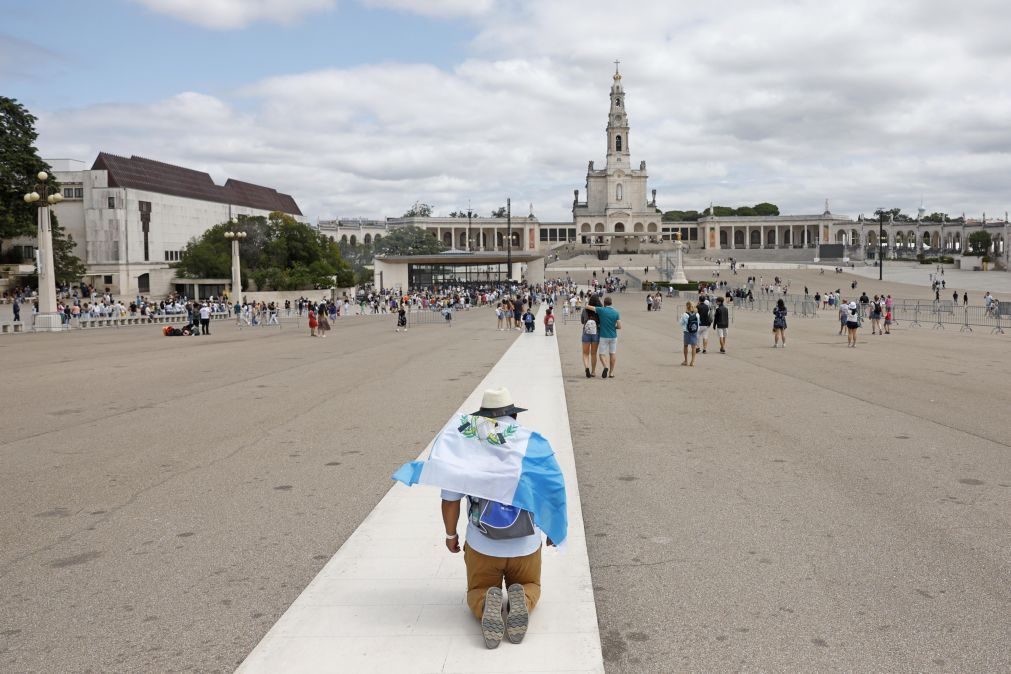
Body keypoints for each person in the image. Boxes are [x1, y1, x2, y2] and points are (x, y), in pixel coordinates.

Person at [393, 388, 566, 649]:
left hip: (483, 544)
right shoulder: (531, 445)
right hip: (526, 544)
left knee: (477, 590)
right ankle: (523, 595)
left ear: (482, 418)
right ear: (513, 417)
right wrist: (554, 530)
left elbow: (450, 499)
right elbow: (552, 488)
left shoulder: (465, 444)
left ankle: (486, 602)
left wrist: (451, 535)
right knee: (532, 584)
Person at [595, 295, 621, 379]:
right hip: (613, 336)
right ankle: (611, 372)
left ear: (604, 303)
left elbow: (589, 307)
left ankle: (605, 366)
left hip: (603, 336)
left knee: (602, 354)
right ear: (611, 303)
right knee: (612, 353)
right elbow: (619, 326)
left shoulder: (601, 310)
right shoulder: (616, 312)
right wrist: (613, 327)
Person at [580, 295, 601, 378]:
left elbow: (582, 321)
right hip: (596, 333)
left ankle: (587, 368)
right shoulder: (599, 310)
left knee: (585, 353)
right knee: (593, 353)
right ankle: (593, 371)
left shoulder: (585, 310)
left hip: (586, 332)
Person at [680, 301, 699, 367]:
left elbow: (681, 323)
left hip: (687, 332)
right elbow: (698, 323)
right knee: (693, 347)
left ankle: (686, 361)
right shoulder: (697, 314)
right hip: (694, 331)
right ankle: (692, 362)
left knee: (685, 345)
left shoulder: (685, 314)